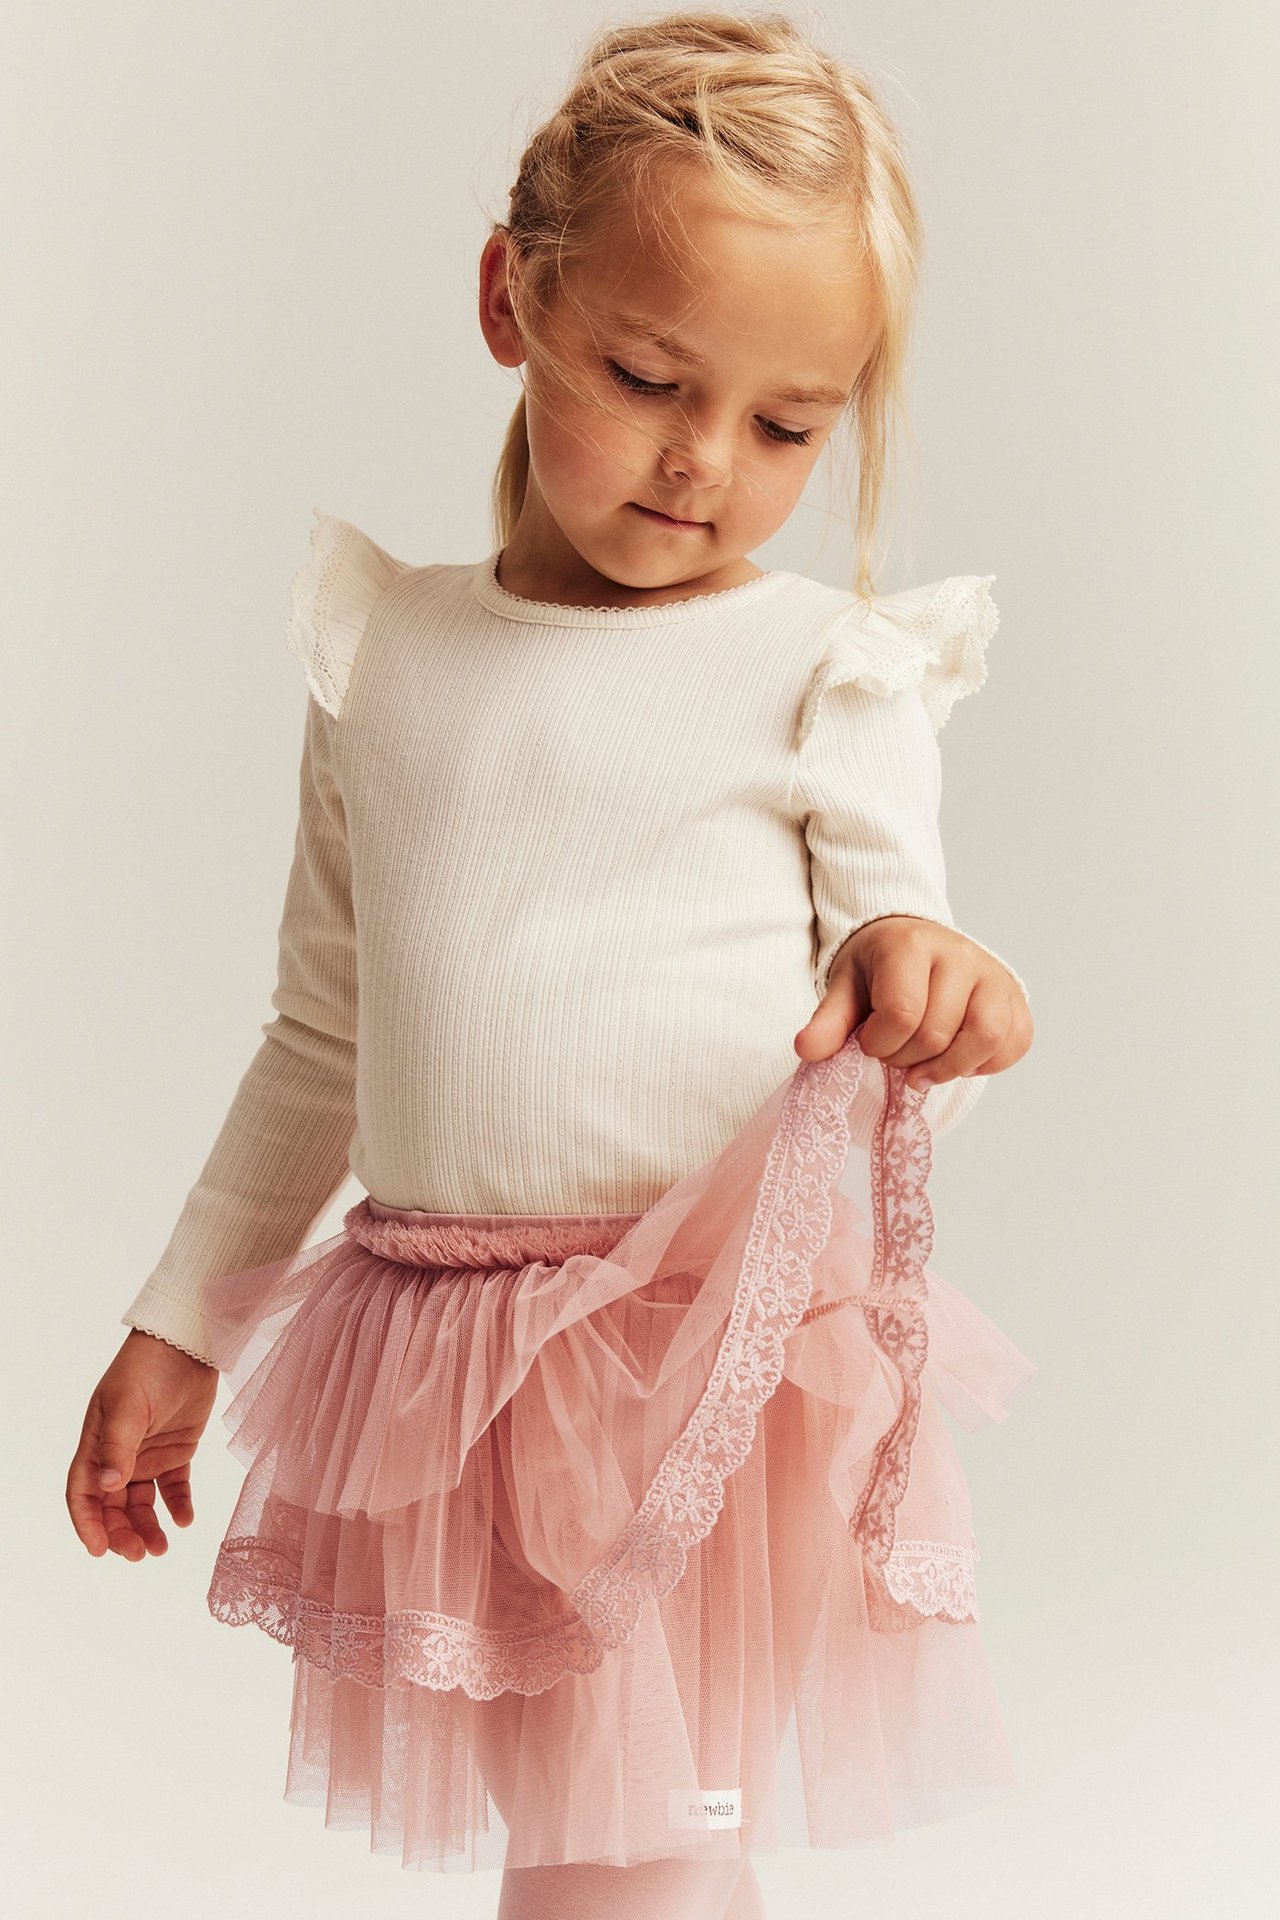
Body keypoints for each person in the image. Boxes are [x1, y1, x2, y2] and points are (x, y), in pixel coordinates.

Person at [66, 11, 1038, 1917]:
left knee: (628, 1847)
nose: (705, 466)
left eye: (786, 424)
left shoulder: (824, 670)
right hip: (450, 1362)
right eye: (649, 376)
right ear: (511, 299)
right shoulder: (394, 655)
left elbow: (897, 949)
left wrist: (942, 978)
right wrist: (185, 1316)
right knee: (593, 1836)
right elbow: (324, 1032)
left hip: (690, 1355)